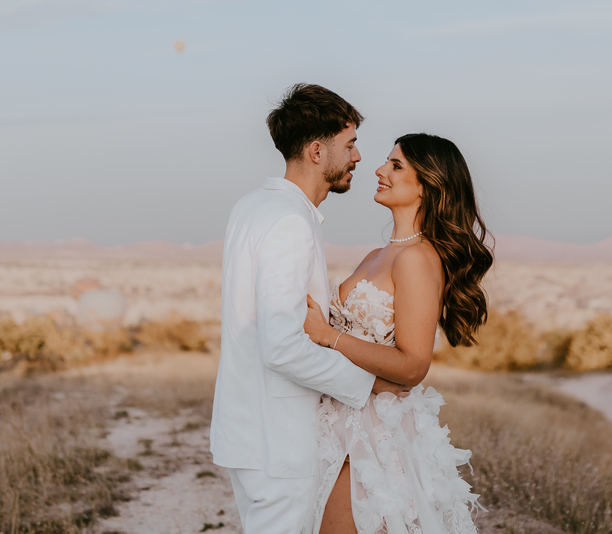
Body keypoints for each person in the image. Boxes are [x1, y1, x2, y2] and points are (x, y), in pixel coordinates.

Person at [210, 84, 411, 534]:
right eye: (350, 144)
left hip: (246, 430)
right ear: (317, 151)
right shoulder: (289, 221)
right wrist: (369, 384)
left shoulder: (251, 206)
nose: (358, 157)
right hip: (280, 439)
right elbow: (282, 347)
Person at [303, 132, 492, 534]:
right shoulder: (376, 255)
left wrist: (328, 336)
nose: (379, 170)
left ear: (427, 185)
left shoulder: (417, 259)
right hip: (335, 420)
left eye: (396, 165)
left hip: (374, 433)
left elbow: (412, 366)